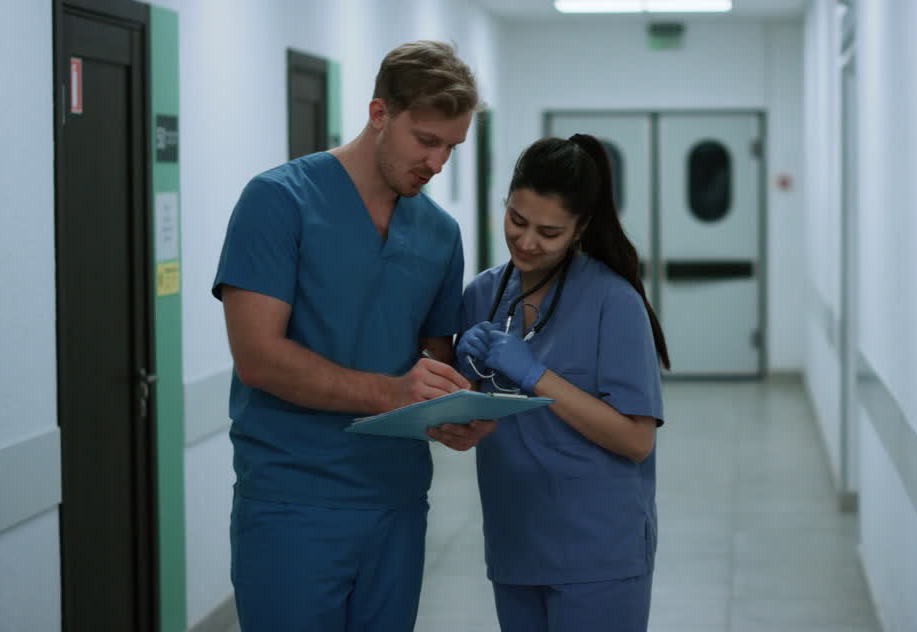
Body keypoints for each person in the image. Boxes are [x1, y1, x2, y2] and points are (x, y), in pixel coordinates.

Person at [212, 40, 495, 632]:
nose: (438, 163)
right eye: (426, 140)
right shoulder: (279, 202)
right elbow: (259, 358)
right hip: (294, 500)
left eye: (451, 147)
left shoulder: (439, 234)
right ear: (379, 114)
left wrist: (454, 415)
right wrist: (391, 394)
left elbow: (431, 366)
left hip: (396, 500)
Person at [444, 134, 670, 632]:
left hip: (597, 552)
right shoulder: (483, 293)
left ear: (580, 229)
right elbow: (474, 415)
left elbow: (636, 439)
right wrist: (457, 390)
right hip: (514, 539)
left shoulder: (614, 302)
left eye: (549, 232)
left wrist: (536, 375)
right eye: (516, 221)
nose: (526, 241)